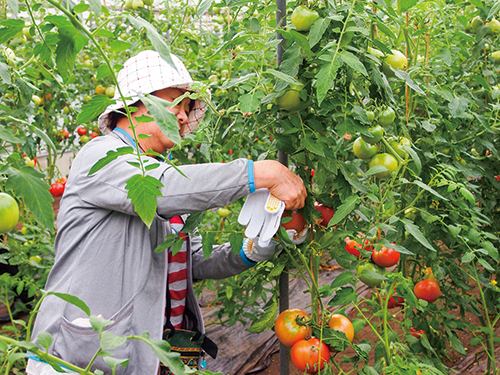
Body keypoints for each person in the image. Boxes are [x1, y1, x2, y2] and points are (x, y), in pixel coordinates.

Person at [27, 50, 306, 375]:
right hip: (78, 361)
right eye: (178, 102)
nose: (185, 117)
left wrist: (251, 249)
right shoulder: (101, 156)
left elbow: (193, 260)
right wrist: (261, 173)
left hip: (151, 355)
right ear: (138, 102)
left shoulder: (163, 174)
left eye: (189, 108)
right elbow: (161, 189)